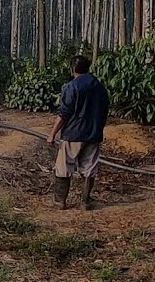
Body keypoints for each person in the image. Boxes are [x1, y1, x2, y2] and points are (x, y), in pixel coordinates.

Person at [46, 55, 109, 210]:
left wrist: (52, 133)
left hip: (73, 133)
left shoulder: (72, 86)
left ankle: (59, 201)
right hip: (93, 133)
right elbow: (104, 109)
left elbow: (64, 113)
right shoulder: (99, 86)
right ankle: (85, 202)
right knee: (89, 166)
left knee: (64, 165)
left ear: (72, 69)